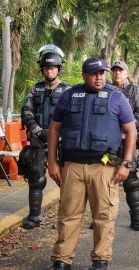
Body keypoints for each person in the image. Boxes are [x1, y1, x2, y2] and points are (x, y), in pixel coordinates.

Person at [48, 57, 136, 270]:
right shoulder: (69, 96)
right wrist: (52, 162)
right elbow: (54, 128)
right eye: (94, 73)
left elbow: (131, 130)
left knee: (103, 216)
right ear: (84, 75)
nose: (99, 77)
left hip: (104, 167)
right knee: (68, 215)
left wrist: (126, 163)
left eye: (102, 73)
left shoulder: (117, 97)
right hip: (73, 166)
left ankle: (101, 260)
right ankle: (62, 259)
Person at [19, 44, 70, 230]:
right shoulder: (34, 89)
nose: (50, 71)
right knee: (36, 178)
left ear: (58, 69)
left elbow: (72, 115)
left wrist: (59, 133)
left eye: (53, 68)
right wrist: (39, 130)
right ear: (42, 69)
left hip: (62, 141)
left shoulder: (67, 90)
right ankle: (34, 216)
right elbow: (26, 111)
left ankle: (66, 217)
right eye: (47, 68)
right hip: (38, 140)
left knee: (66, 181)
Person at [110, 60, 139, 231]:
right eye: (114, 71)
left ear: (126, 74)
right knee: (105, 179)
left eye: (120, 70)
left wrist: (128, 126)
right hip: (108, 143)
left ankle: (137, 218)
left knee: (131, 181)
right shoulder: (105, 90)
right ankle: (103, 217)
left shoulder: (135, 91)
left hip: (129, 141)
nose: (117, 73)